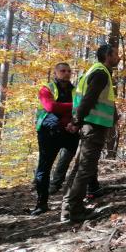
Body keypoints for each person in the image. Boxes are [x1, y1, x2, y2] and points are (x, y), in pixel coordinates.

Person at [61, 44, 120, 223]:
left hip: (89, 126)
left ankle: (66, 208)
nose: (118, 57)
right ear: (107, 56)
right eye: (116, 54)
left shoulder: (94, 71)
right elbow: (89, 98)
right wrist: (76, 122)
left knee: (79, 167)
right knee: (85, 169)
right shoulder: (101, 73)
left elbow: (91, 99)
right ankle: (75, 210)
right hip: (93, 127)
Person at [31, 63, 79, 215]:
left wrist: (72, 122)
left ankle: (91, 190)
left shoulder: (74, 90)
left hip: (68, 131)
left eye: (69, 71)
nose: (66, 73)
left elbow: (77, 110)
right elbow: (51, 107)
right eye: (63, 71)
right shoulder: (47, 88)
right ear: (56, 72)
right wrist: (74, 106)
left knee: (83, 159)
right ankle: (41, 203)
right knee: (44, 168)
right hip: (48, 132)